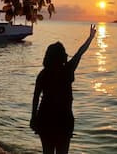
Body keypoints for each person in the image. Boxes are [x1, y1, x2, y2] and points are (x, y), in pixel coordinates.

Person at [30, 24, 97, 154]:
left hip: (45, 118)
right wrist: (90, 38)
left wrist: (33, 117)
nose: (67, 54)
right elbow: (80, 52)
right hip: (63, 119)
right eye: (64, 52)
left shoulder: (43, 74)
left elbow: (35, 98)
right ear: (61, 56)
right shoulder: (68, 70)